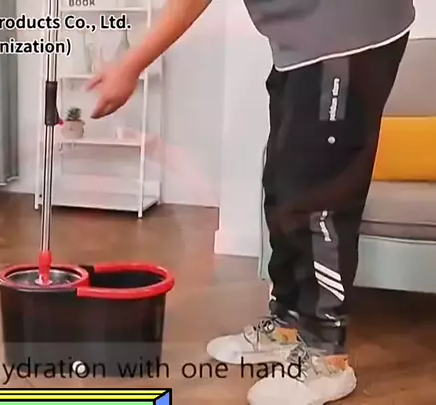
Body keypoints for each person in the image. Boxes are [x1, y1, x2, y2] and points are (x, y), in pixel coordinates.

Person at [87, 0, 414, 403]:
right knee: (282, 187)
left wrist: (131, 64)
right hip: (301, 46)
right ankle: (288, 324)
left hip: (346, 34)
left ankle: (326, 354)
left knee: (319, 199)